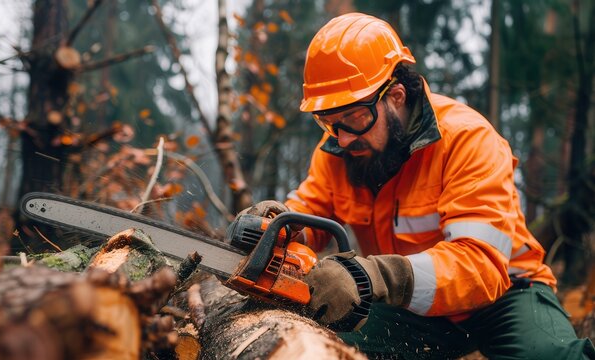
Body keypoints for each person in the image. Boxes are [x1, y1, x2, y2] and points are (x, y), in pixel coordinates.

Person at [239, 13, 595, 359]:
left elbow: (480, 267)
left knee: (549, 354)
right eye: (329, 122)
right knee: (329, 340)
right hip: (410, 304)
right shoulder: (339, 148)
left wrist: (377, 276)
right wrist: (279, 226)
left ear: (396, 96)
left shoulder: (467, 139)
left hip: (504, 295)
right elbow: (311, 210)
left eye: (355, 119)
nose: (344, 138)